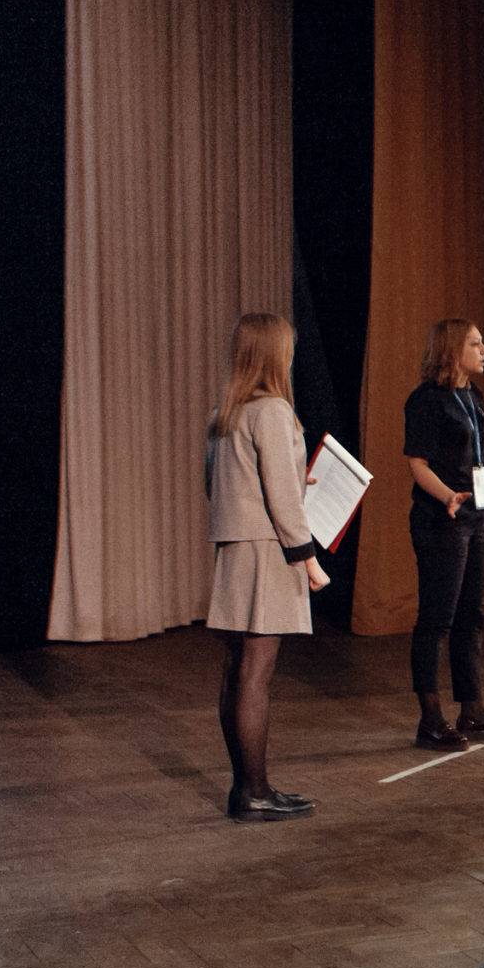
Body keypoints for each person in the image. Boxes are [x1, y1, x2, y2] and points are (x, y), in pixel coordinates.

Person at [205, 312, 328, 823]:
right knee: (256, 674)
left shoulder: (225, 413)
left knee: (238, 672)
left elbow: (218, 487)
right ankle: (254, 792)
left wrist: (295, 483)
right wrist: (309, 561)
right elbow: (279, 498)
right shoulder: (274, 410)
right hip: (267, 551)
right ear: (275, 354)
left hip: (235, 550)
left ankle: (247, 788)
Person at [406, 318, 484, 748]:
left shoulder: (472, 396)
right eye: (475, 343)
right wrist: (447, 495)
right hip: (441, 520)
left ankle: (471, 710)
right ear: (453, 350)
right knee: (437, 619)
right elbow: (417, 464)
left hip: (475, 518)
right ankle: (430, 718)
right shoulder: (426, 400)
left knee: (472, 616)